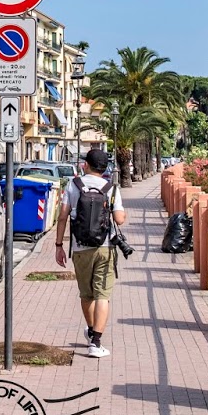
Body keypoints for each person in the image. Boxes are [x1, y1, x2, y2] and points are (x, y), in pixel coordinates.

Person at [53, 147, 127, 358]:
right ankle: (96, 342)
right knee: (102, 295)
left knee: (86, 295)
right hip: (105, 248)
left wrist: (59, 246)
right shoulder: (111, 187)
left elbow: (63, 216)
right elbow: (119, 219)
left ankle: (92, 330)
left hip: (80, 247)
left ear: (86, 165)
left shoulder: (74, 185)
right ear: (105, 169)